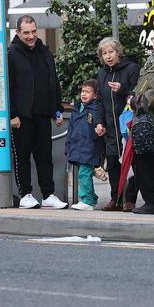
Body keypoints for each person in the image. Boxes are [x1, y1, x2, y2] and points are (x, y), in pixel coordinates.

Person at [8, 15, 66, 210]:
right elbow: (8, 87)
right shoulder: (11, 54)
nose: (31, 36)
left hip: (42, 114)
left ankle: (48, 194)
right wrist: (12, 114)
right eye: (26, 33)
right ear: (18, 32)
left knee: (45, 157)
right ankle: (25, 194)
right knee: (22, 157)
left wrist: (57, 109)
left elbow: (54, 83)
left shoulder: (45, 53)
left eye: (33, 31)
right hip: (22, 117)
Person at [96, 37, 141, 211]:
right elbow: (99, 101)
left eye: (111, 52)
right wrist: (99, 122)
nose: (108, 56)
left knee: (132, 163)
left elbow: (137, 94)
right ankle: (115, 198)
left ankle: (130, 199)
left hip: (128, 127)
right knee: (113, 163)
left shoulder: (131, 69)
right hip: (110, 127)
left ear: (118, 52)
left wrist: (122, 89)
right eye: (104, 53)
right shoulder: (102, 74)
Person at [130, 26, 154, 214]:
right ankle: (151, 200)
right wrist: (134, 98)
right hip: (144, 117)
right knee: (144, 160)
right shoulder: (151, 60)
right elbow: (140, 86)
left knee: (147, 160)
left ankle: (153, 201)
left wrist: (136, 101)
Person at [66, 79, 107, 211]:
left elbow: (98, 124)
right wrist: (68, 146)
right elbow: (71, 130)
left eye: (88, 92)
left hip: (89, 147)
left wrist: (99, 128)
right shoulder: (77, 109)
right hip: (78, 147)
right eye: (83, 91)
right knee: (84, 174)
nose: (84, 94)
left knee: (83, 174)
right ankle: (91, 198)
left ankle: (87, 200)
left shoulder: (95, 108)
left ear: (95, 96)